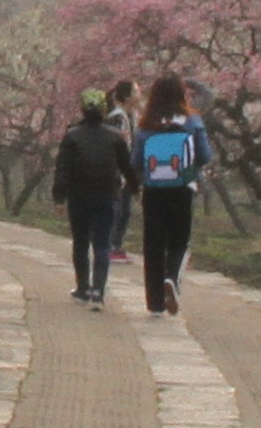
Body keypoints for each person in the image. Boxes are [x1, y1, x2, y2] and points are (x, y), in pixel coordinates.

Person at [130, 74, 209, 316]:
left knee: (153, 243)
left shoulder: (146, 124)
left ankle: (155, 303)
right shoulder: (192, 120)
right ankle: (172, 277)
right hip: (182, 188)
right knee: (179, 239)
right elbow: (205, 156)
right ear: (181, 94)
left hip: (154, 191)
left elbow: (135, 162)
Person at [51, 89, 137, 309]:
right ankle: (98, 291)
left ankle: (82, 288)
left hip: (79, 197)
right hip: (107, 197)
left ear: (82, 108)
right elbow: (127, 167)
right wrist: (136, 189)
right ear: (104, 109)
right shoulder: (114, 136)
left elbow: (62, 169)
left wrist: (59, 198)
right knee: (102, 244)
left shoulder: (72, 135)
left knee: (80, 243)